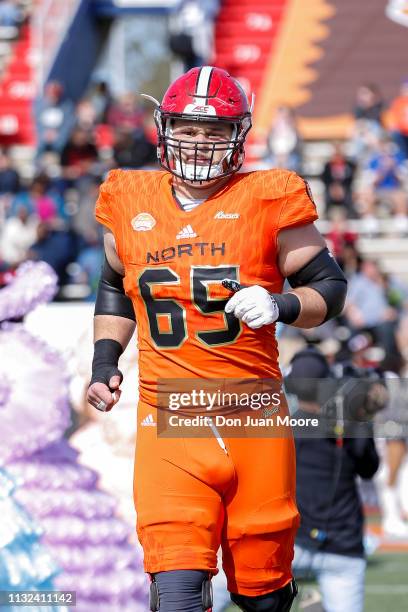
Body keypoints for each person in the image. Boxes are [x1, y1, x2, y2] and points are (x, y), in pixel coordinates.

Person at [87, 66, 347, 612]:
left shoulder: (268, 196)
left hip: (254, 417)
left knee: (263, 593)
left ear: (239, 135)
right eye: (187, 127)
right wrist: (104, 359)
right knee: (176, 592)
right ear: (165, 127)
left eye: (213, 130)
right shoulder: (128, 198)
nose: (199, 141)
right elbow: (115, 284)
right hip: (170, 419)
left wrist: (283, 304)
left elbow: (329, 287)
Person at [287, 346, 380, 612]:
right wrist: (362, 419)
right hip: (343, 544)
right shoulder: (347, 428)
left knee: (219, 593)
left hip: (290, 542)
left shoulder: (282, 429)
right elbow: (369, 468)